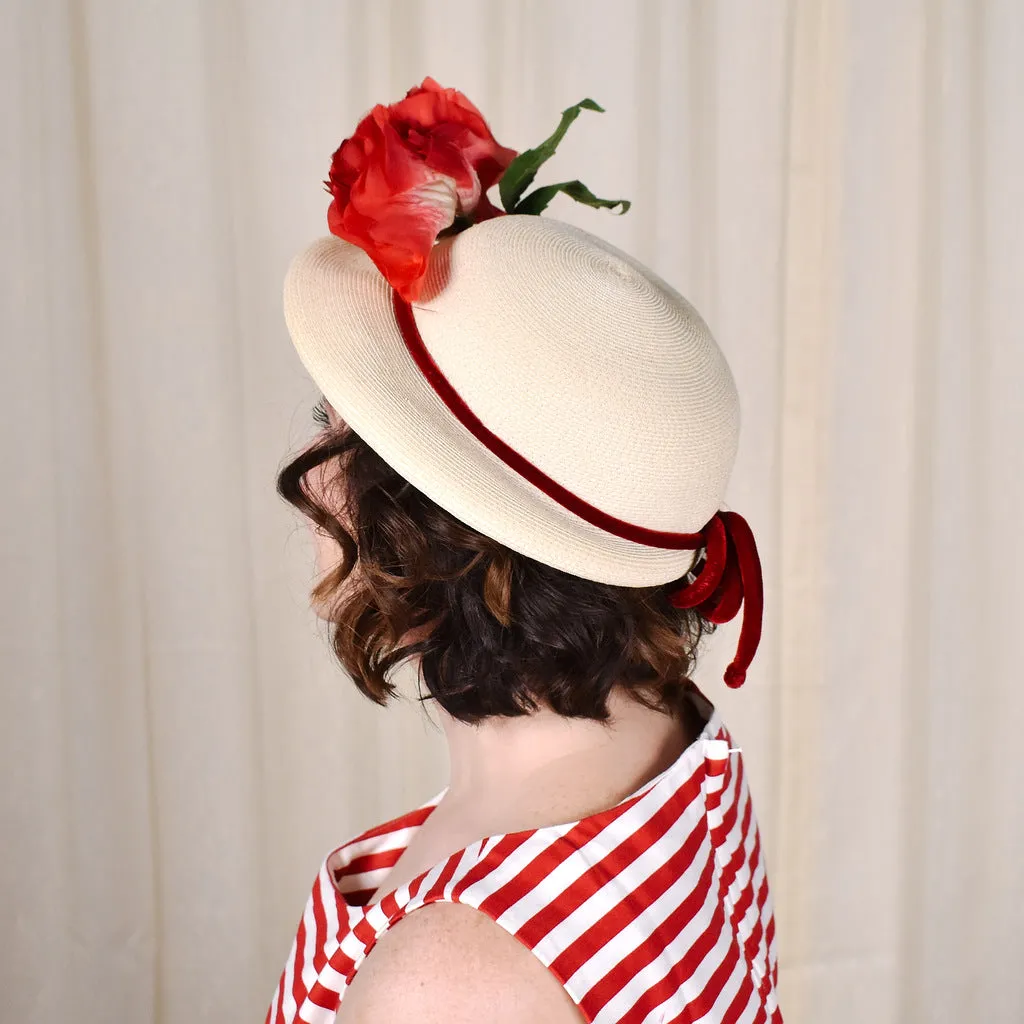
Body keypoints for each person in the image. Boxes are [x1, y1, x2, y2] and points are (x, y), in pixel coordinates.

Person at [265, 78, 782, 1024]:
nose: (305, 470)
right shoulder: (672, 754)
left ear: (431, 540)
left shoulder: (454, 984)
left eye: (330, 432)